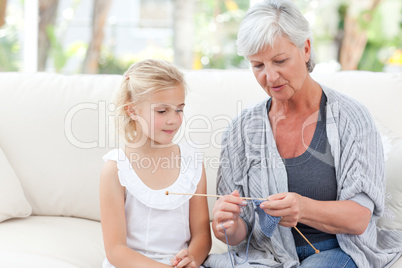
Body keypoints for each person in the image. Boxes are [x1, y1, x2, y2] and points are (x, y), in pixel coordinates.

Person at [204, 0, 402, 267]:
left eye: (280, 60)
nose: (270, 77)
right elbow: (240, 235)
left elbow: (359, 218)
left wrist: (303, 208)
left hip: (335, 250)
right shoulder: (240, 131)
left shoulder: (352, 118)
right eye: (258, 65)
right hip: (267, 256)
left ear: (306, 49)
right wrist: (226, 224)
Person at [100, 59, 211, 268]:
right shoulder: (115, 169)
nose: (174, 120)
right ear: (132, 110)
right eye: (162, 111)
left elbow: (202, 235)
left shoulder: (192, 162)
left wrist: (192, 259)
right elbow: (115, 250)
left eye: (179, 109)